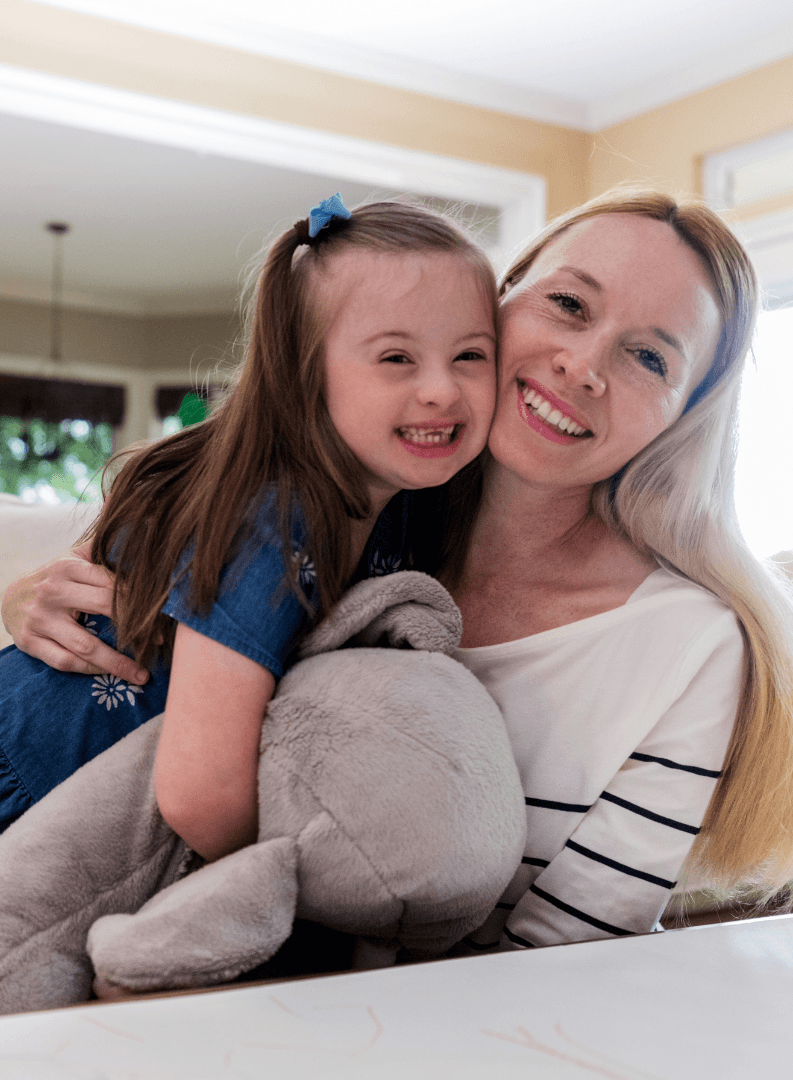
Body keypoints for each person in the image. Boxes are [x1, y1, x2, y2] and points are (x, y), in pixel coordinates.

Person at [6, 189, 793, 948]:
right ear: (500, 300)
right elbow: (140, 599)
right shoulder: (365, 509)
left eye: (650, 356)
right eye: (568, 304)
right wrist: (30, 599)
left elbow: (566, 960)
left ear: (685, 414)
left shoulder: (687, 646)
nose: (582, 365)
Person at [0, 196, 497, 862]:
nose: (441, 389)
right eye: (395, 359)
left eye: (470, 355)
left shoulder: (404, 505)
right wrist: (304, 891)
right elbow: (200, 795)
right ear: (305, 373)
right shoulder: (272, 519)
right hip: (29, 803)